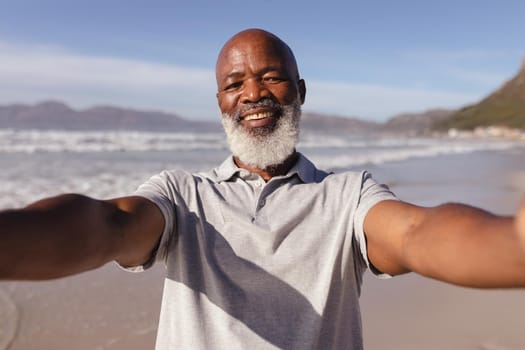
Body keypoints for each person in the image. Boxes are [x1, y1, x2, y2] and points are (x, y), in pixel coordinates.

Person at [1, 28, 525, 350]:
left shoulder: (346, 197)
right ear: (221, 102)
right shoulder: (184, 196)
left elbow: (417, 233)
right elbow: (106, 224)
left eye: (271, 77)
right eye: (234, 83)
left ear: (298, 92)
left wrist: (514, 243)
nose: (253, 93)